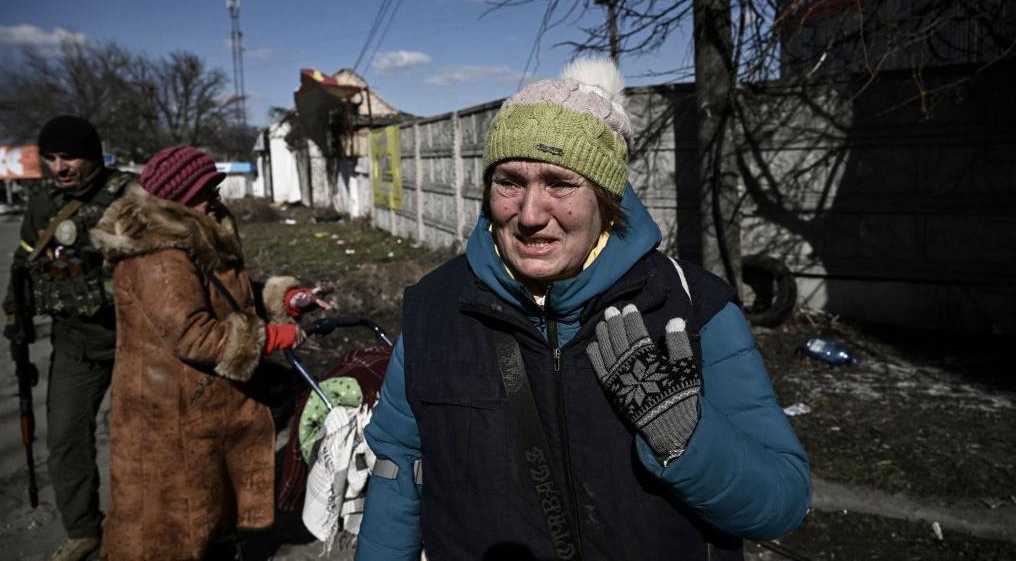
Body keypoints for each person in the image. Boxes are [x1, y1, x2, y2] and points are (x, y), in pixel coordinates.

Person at [355, 58, 812, 560]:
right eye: (509, 181)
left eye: (559, 183)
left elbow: (783, 505)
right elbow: (397, 471)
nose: (530, 213)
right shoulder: (433, 311)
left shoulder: (693, 308)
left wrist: (687, 440)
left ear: (606, 197)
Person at [90, 145, 325, 560]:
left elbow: (225, 299)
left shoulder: (196, 234)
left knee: (207, 509)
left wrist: (287, 299)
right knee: (173, 525)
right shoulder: (158, 255)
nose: (215, 199)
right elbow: (194, 335)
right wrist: (272, 338)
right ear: (171, 201)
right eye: (204, 191)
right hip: (170, 412)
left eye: (215, 187)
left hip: (202, 404)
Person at [2, 115, 135, 561]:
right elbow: (23, 264)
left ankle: (143, 524)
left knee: (136, 441)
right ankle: (84, 530)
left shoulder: (129, 197)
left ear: (94, 156)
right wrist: (14, 314)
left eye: (70, 157)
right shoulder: (44, 203)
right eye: (53, 157)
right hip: (74, 344)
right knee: (65, 440)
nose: (60, 166)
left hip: (132, 341)